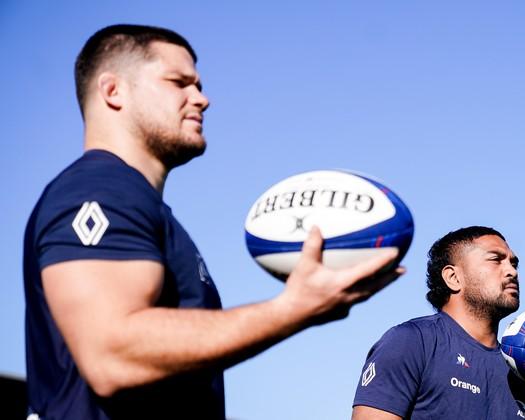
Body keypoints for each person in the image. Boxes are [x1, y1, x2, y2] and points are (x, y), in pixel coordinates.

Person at [22, 24, 404, 419]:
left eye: (199, 85)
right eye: (179, 83)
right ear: (113, 91)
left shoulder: (142, 206)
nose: (202, 99)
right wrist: (295, 309)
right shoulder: (99, 189)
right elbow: (111, 355)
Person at [351, 226, 525, 420]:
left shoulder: (522, 371)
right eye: (496, 260)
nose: (511, 271)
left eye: (514, 263)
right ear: (453, 278)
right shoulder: (410, 342)